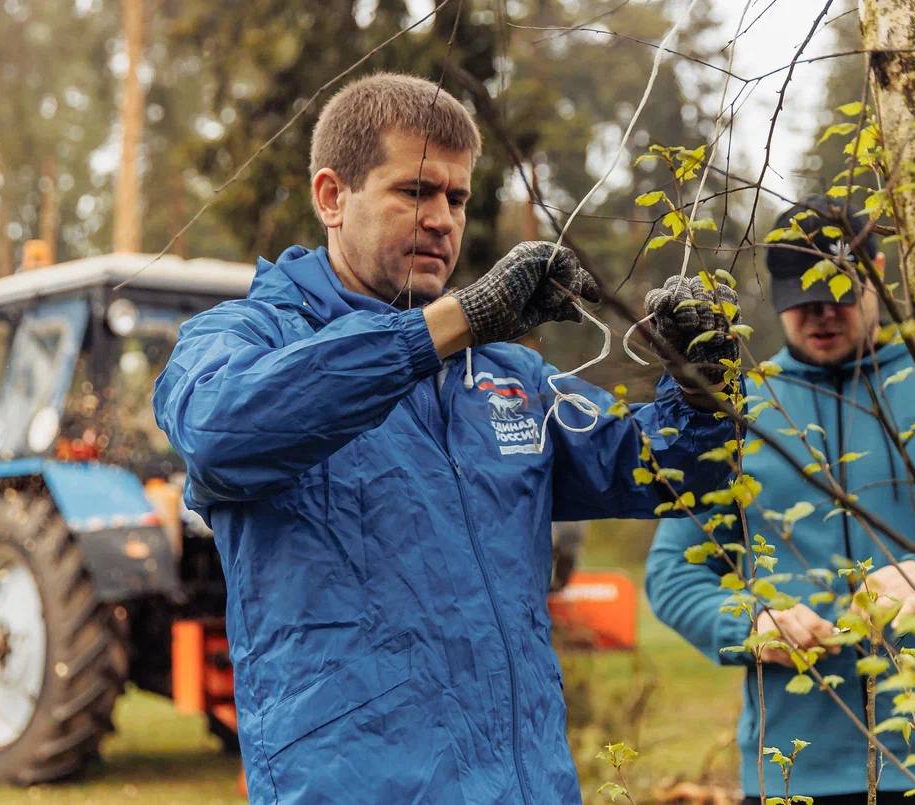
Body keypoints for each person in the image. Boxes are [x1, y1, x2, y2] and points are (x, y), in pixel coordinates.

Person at [152, 72, 739, 804]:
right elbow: (221, 431)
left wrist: (703, 385)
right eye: (415, 191)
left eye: (457, 199)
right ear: (332, 197)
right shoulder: (244, 337)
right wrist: (449, 326)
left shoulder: (505, 377)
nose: (441, 220)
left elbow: (668, 470)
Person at [644, 196, 915, 804]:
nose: (821, 315)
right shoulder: (739, 414)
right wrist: (753, 623)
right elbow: (672, 574)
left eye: (838, 294)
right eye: (802, 301)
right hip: (793, 773)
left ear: (878, 273)